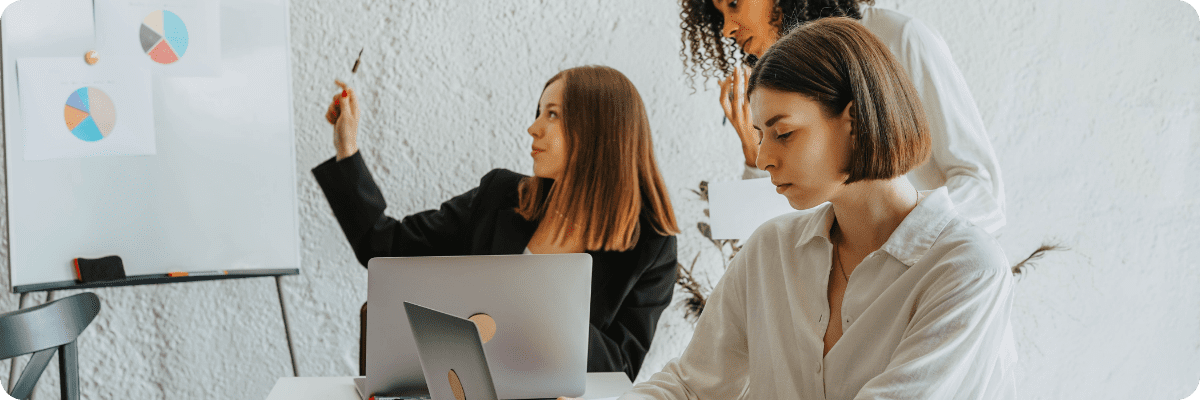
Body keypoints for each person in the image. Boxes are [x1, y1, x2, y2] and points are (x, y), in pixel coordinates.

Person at [581, 18, 1016, 399]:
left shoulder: (967, 269)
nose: (763, 156)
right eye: (758, 134)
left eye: (783, 133)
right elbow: (693, 387)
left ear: (856, 122)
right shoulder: (770, 249)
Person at [312, 65, 681, 381]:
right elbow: (383, 246)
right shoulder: (500, 196)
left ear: (600, 132)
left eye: (553, 114)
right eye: (539, 111)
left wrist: (539, 300)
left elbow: (619, 371)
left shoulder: (651, 245)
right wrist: (347, 147)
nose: (533, 128)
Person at [681, 0, 1007, 234]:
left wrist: (892, 240)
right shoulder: (775, 83)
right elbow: (777, 225)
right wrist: (754, 156)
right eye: (718, 13)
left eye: (734, 4)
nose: (726, 29)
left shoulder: (899, 38)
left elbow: (983, 192)